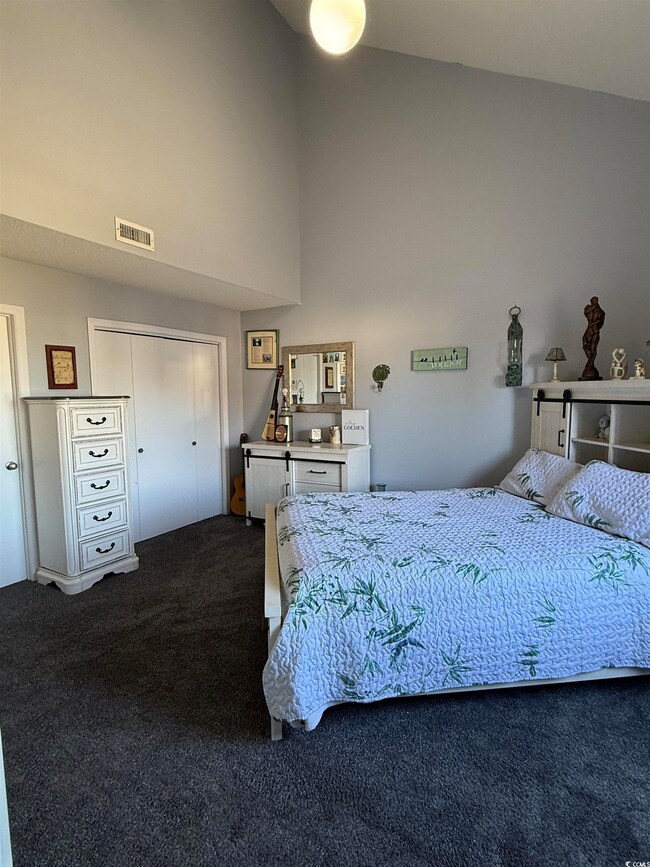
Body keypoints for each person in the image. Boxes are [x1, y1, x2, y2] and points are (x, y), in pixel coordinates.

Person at [581, 296, 606, 379]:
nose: (593, 302)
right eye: (593, 301)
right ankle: (590, 363)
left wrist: (592, 325)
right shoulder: (588, 308)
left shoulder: (601, 312)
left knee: (593, 348)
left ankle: (590, 364)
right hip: (590, 329)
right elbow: (586, 312)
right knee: (585, 345)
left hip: (594, 330)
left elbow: (600, 323)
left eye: (594, 301)